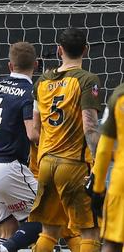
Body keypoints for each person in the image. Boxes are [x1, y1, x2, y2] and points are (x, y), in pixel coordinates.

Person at [28, 27, 102, 252]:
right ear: (86, 50)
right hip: (74, 165)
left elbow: (34, 130)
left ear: (59, 50)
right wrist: (98, 161)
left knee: (49, 230)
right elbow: (90, 127)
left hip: (47, 163)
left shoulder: (42, 82)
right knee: (89, 230)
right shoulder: (87, 80)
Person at [0, 42, 39, 250]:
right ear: (36, 65)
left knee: (9, 227)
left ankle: (3, 247)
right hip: (8, 168)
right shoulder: (31, 92)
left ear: (9, 65)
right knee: (46, 217)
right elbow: (32, 134)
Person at [86, 82, 124, 252]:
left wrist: (98, 188)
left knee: (111, 242)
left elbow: (103, 150)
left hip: (120, 184)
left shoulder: (119, 95)